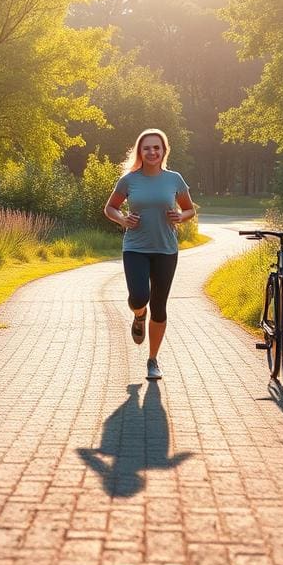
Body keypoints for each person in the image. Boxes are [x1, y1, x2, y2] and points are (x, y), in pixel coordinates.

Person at [104, 129, 196, 381]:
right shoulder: (129, 180)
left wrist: (181, 216)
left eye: (157, 148)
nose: (152, 152)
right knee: (139, 297)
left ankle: (153, 360)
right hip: (135, 247)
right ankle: (138, 315)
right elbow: (110, 207)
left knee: (159, 305)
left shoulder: (175, 179)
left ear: (164, 151)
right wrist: (123, 219)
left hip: (166, 249)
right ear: (140, 152)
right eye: (147, 148)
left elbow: (189, 210)